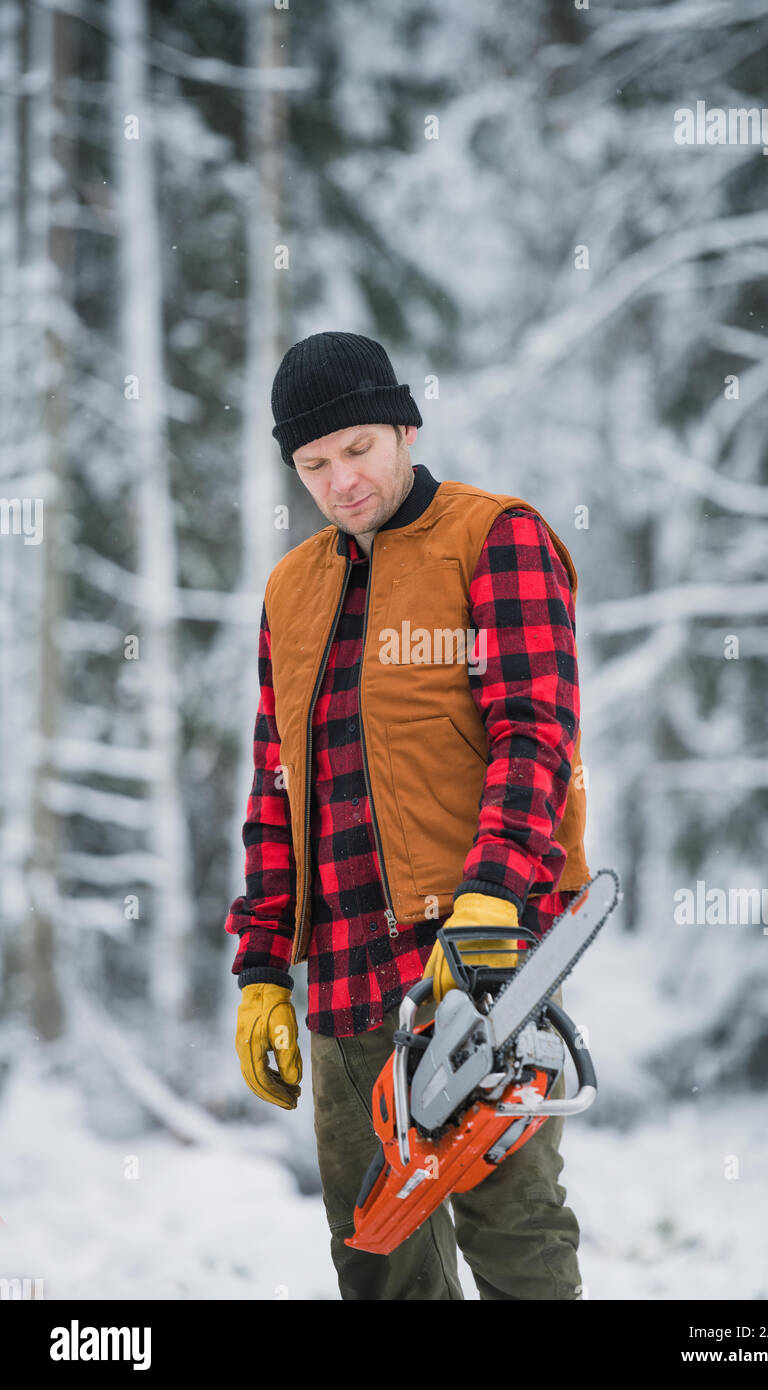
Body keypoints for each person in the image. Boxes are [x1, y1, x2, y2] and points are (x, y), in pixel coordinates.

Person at [224, 330, 591, 1300]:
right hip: (343, 982)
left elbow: (534, 733)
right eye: (312, 463)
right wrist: (263, 964)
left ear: (401, 426)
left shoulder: (492, 535)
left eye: (357, 450)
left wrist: (490, 900)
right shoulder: (288, 591)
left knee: (514, 1236)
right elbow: (275, 790)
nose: (339, 480)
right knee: (377, 1257)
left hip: (477, 967)